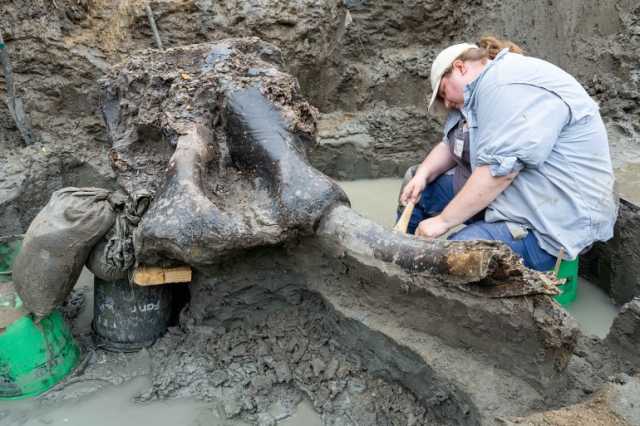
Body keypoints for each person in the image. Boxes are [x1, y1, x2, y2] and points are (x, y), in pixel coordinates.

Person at [399, 37, 617, 271]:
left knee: (454, 256)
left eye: (443, 92)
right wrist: (422, 174)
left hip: (550, 224)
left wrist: (442, 222)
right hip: (517, 198)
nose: (448, 104)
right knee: (420, 192)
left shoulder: (505, 84)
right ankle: (402, 262)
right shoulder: (478, 95)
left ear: (460, 67)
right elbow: (450, 144)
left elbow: (500, 172)